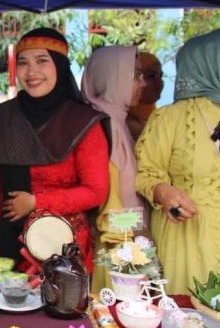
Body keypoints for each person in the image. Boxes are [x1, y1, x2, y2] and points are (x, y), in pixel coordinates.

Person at [0, 28, 109, 273]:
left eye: (42, 61)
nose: (31, 72)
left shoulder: (82, 121)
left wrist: (36, 202)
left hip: (62, 246)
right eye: (23, 63)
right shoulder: (2, 119)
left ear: (59, 66)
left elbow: (96, 192)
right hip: (6, 242)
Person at [135, 27, 220, 294]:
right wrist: (163, 192)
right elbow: (145, 173)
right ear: (215, 65)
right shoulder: (173, 119)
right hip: (190, 242)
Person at [80, 46, 147, 292]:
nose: (142, 84)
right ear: (112, 76)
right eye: (135, 75)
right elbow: (111, 203)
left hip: (125, 244)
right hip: (114, 250)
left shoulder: (118, 119)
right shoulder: (103, 123)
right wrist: (140, 232)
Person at [127, 52, 164, 141]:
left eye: (160, 76)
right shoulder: (119, 123)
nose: (159, 83)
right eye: (151, 76)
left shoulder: (158, 118)